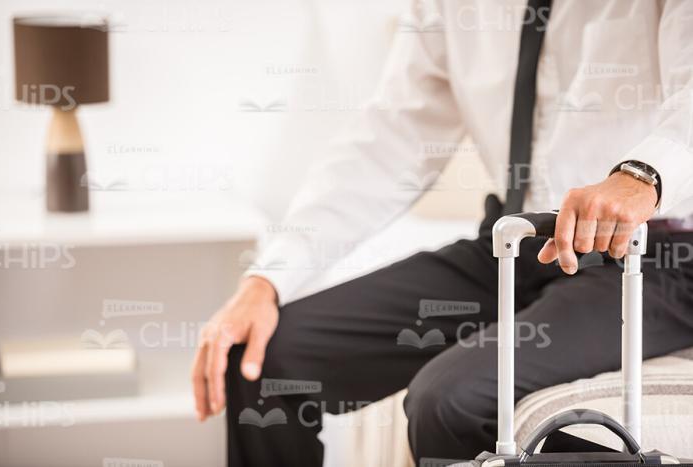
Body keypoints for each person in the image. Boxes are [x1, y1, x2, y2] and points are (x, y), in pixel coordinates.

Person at [192, 0, 693, 465]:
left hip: (650, 260)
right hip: (513, 245)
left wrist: (643, 176)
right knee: (264, 361)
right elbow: (390, 140)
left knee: (449, 401)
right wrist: (266, 280)